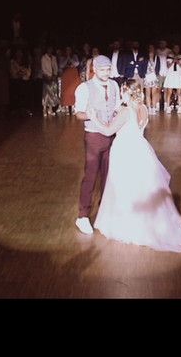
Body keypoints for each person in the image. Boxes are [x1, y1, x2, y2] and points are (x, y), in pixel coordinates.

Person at [86, 79, 181, 253]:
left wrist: (94, 118)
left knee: (125, 188)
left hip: (125, 151)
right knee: (141, 188)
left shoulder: (126, 112)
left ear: (126, 92)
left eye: (122, 92)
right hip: (141, 149)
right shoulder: (144, 109)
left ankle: (128, 225)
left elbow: (108, 131)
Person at [73, 55, 121, 235]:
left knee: (109, 175)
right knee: (91, 175)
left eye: (108, 69)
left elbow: (116, 106)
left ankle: (105, 211)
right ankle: (83, 216)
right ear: (95, 69)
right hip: (93, 135)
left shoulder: (114, 85)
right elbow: (78, 113)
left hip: (111, 135)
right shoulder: (84, 88)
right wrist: (89, 115)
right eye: (102, 70)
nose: (106, 73)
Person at [163, 43, 181, 113]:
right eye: (175, 48)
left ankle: (179, 107)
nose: (176, 49)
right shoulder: (169, 56)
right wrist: (173, 61)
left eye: (177, 48)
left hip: (178, 75)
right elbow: (168, 66)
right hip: (171, 74)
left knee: (179, 92)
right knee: (169, 92)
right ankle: (168, 106)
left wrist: (178, 62)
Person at [143, 43, 161, 114]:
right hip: (147, 76)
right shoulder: (145, 57)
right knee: (147, 93)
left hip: (154, 77)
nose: (151, 49)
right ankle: (149, 107)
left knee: (154, 93)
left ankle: (153, 107)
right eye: (149, 48)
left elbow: (158, 67)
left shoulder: (157, 57)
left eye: (152, 48)